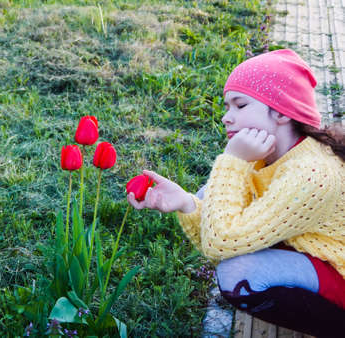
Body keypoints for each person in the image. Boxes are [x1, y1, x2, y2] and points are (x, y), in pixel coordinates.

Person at [127, 49, 345, 337]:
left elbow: (223, 242)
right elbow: (224, 240)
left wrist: (232, 161)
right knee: (212, 194)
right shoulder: (268, 157)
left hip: (338, 272)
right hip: (311, 256)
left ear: (280, 111)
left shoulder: (310, 172)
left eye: (239, 105)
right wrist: (186, 203)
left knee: (238, 274)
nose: (226, 118)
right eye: (227, 106)